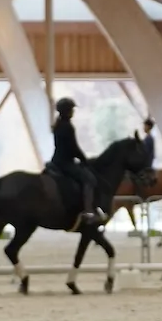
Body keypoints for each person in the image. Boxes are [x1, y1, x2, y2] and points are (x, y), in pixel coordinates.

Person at [48, 97, 104, 232]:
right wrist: (84, 159)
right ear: (67, 111)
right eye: (72, 109)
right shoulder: (68, 126)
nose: (73, 111)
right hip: (65, 162)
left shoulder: (58, 125)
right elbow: (73, 148)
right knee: (89, 179)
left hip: (56, 160)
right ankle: (88, 211)